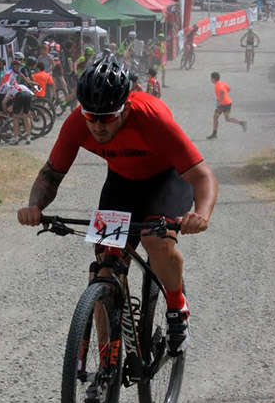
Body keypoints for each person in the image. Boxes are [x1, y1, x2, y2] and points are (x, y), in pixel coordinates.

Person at [16, 55, 218, 355]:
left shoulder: (152, 118)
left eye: (107, 117)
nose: (97, 125)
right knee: (103, 269)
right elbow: (51, 174)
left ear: (124, 108)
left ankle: (177, 306)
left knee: (155, 240)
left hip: (166, 180)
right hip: (122, 183)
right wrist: (35, 206)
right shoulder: (77, 123)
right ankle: (105, 358)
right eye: (91, 116)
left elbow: (203, 177)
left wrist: (200, 215)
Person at [207, 71, 246, 139]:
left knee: (215, 117)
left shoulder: (217, 85)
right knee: (227, 119)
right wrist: (223, 97)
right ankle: (241, 123)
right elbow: (228, 88)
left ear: (214, 79)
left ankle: (214, 134)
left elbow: (222, 91)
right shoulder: (221, 83)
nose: (210, 80)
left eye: (211, 78)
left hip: (222, 104)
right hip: (228, 103)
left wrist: (220, 100)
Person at [0, 76, 33, 144]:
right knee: (26, 117)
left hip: (20, 96)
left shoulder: (10, 88)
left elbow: (4, 102)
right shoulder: (22, 85)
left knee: (15, 118)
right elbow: (32, 94)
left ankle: (15, 138)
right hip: (28, 95)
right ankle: (28, 137)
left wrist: (5, 111)